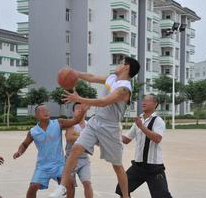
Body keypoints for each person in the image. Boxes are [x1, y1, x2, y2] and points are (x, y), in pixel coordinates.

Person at [49, 56, 140, 198]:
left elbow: (104, 102)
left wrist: (79, 99)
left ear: (126, 67)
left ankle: (126, 196)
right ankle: (62, 187)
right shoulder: (111, 78)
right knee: (75, 149)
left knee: (117, 166)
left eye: (121, 63)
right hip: (95, 122)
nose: (118, 64)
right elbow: (91, 77)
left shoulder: (124, 89)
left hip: (110, 127)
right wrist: (75, 73)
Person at [13, 103, 87, 198]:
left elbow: (76, 120)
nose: (46, 112)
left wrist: (83, 110)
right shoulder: (33, 131)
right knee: (33, 187)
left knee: (71, 183)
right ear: (36, 115)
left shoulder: (58, 123)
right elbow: (24, 144)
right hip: (42, 166)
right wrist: (19, 152)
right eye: (42, 111)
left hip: (59, 164)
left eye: (47, 110)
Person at [116, 94, 172, 198]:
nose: (143, 102)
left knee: (162, 196)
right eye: (143, 100)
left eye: (148, 100)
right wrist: (113, 135)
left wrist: (142, 127)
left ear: (155, 104)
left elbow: (157, 138)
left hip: (153, 167)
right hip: (138, 166)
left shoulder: (158, 120)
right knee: (122, 188)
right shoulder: (139, 120)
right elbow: (126, 140)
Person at [65, 103, 93, 198]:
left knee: (87, 183)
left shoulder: (89, 125)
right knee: (70, 186)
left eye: (82, 108)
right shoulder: (71, 123)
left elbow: (95, 140)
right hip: (70, 159)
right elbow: (69, 137)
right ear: (73, 111)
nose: (80, 110)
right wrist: (86, 137)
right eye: (77, 108)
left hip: (84, 159)